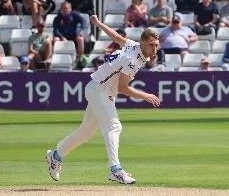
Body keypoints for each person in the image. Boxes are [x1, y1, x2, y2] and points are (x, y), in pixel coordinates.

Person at [46, 15, 161, 185]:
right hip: (100, 89)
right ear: (143, 42)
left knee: (85, 133)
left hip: (98, 89)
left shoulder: (134, 46)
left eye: (157, 45)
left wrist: (98, 23)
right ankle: (116, 170)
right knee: (115, 126)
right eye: (151, 45)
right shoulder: (132, 60)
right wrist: (146, 96)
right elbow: (123, 88)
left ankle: (55, 156)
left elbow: (116, 37)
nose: (155, 49)